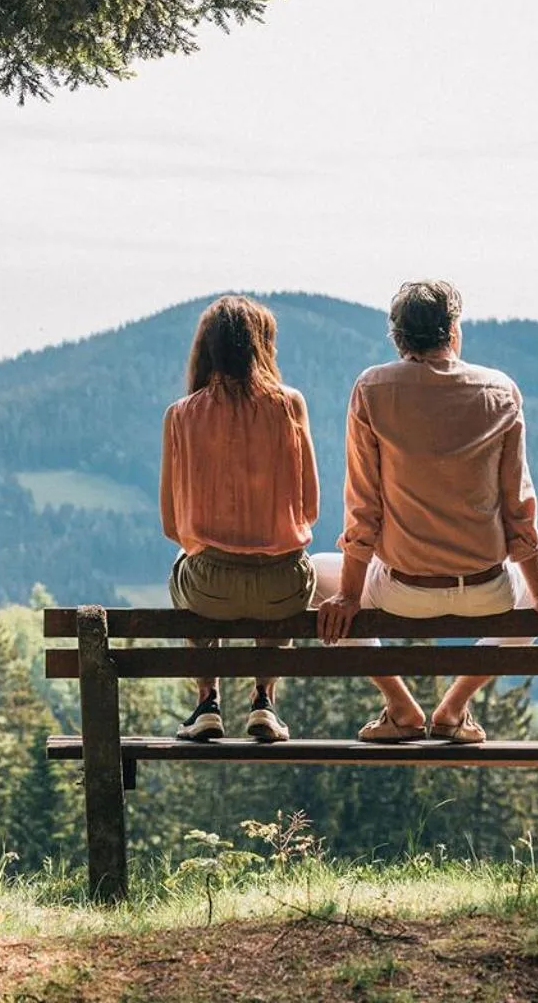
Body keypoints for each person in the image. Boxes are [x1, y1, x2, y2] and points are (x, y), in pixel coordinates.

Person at [315, 279, 538, 744]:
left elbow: (363, 508)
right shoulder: (499, 391)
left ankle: (400, 706)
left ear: (398, 338)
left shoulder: (372, 389)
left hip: (400, 589)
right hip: (487, 589)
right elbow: (519, 507)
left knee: (314, 573)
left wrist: (351, 596)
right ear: (453, 331)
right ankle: (454, 709)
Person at [161, 295, 320, 743]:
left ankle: (206, 703)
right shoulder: (290, 406)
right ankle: (264, 701)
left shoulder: (181, 414)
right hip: (282, 587)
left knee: (182, 565)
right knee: (287, 566)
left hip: (209, 588)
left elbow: (172, 526)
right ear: (261, 347)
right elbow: (310, 510)